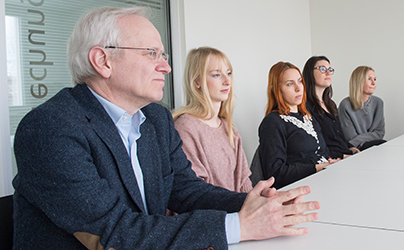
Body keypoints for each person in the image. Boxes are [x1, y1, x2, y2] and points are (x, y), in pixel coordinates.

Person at [11, 7, 319, 250]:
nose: (166, 67)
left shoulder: (155, 118)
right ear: (103, 60)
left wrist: (254, 204)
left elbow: (185, 191)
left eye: (164, 54)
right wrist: (240, 225)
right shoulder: (49, 128)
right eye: (151, 54)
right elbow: (115, 231)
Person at [172, 47, 252, 193]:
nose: (228, 81)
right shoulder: (185, 128)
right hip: (213, 214)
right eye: (216, 75)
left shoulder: (230, 128)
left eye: (228, 73)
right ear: (197, 81)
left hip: (237, 212)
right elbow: (194, 192)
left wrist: (256, 204)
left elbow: (243, 181)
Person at [257, 61, 336, 189]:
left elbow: (324, 152)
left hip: (323, 179)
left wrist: (330, 162)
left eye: (300, 81)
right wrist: (315, 168)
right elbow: (275, 173)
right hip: (299, 188)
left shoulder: (308, 117)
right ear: (277, 89)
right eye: (290, 84)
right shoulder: (273, 122)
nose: (298, 88)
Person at [303, 56, 359, 159]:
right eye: (322, 69)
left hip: (345, 154)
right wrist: (342, 156)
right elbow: (318, 144)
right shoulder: (306, 106)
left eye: (330, 69)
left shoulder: (331, 104)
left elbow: (340, 137)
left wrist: (351, 148)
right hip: (331, 159)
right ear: (310, 73)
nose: (328, 73)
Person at [338, 66, 386, 150]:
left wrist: (361, 138)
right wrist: (371, 136)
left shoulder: (378, 103)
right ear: (358, 81)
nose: (373, 83)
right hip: (356, 148)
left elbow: (380, 133)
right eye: (369, 79)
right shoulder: (345, 105)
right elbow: (350, 138)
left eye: (375, 79)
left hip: (375, 145)